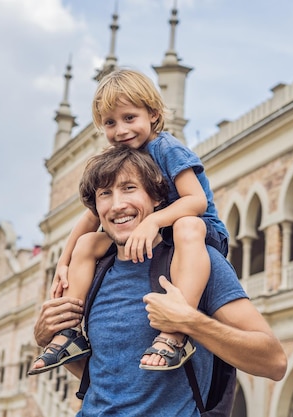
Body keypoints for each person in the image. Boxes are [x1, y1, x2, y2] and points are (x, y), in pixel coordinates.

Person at [32, 146, 287, 416]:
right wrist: (46, 337)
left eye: (129, 188)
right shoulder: (94, 272)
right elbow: (105, 376)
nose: (117, 205)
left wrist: (190, 322)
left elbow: (274, 362)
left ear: (155, 197)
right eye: (105, 194)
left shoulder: (199, 262)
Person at [29, 68, 229, 374]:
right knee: (88, 242)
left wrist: (152, 222)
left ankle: (175, 332)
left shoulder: (166, 148)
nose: (121, 130)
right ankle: (70, 332)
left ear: (153, 114)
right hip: (158, 230)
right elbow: (91, 217)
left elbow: (195, 201)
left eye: (129, 118)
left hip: (199, 232)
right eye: (110, 122)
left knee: (186, 224)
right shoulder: (121, 158)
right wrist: (64, 263)